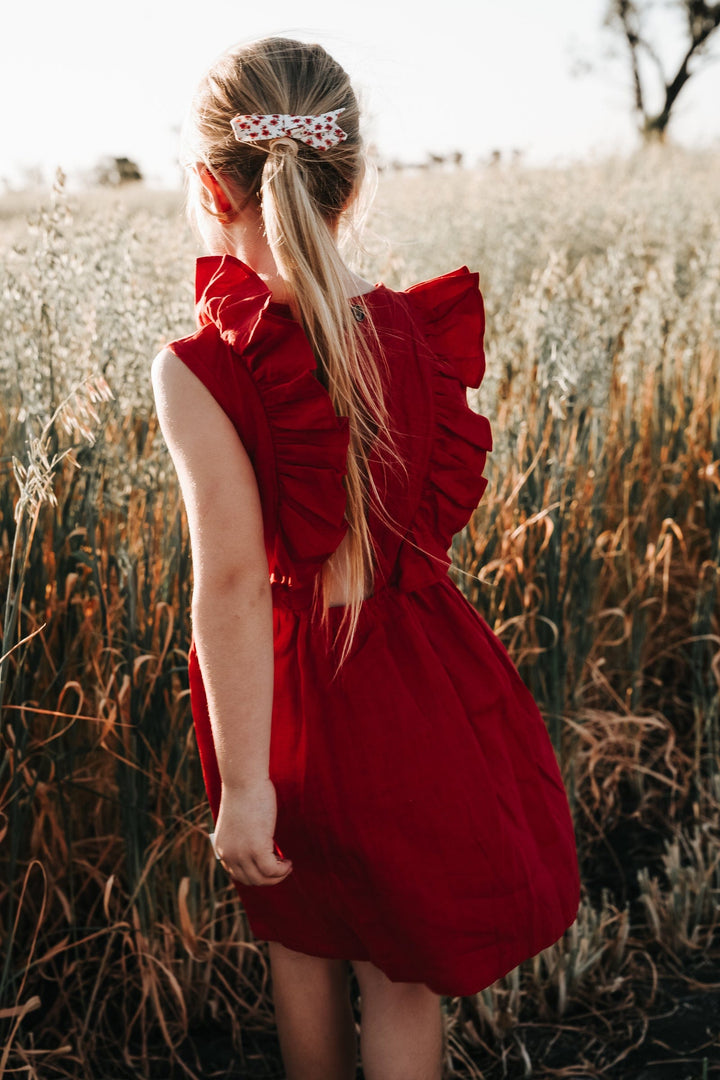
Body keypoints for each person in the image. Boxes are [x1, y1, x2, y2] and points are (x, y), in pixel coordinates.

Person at [151, 35, 581, 1080]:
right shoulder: (420, 335)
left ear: (210, 187)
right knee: (401, 977)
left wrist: (246, 785)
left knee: (301, 951)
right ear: (352, 184)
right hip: (416, 691)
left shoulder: (199, 367)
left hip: (286, 710)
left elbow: (236, 585)